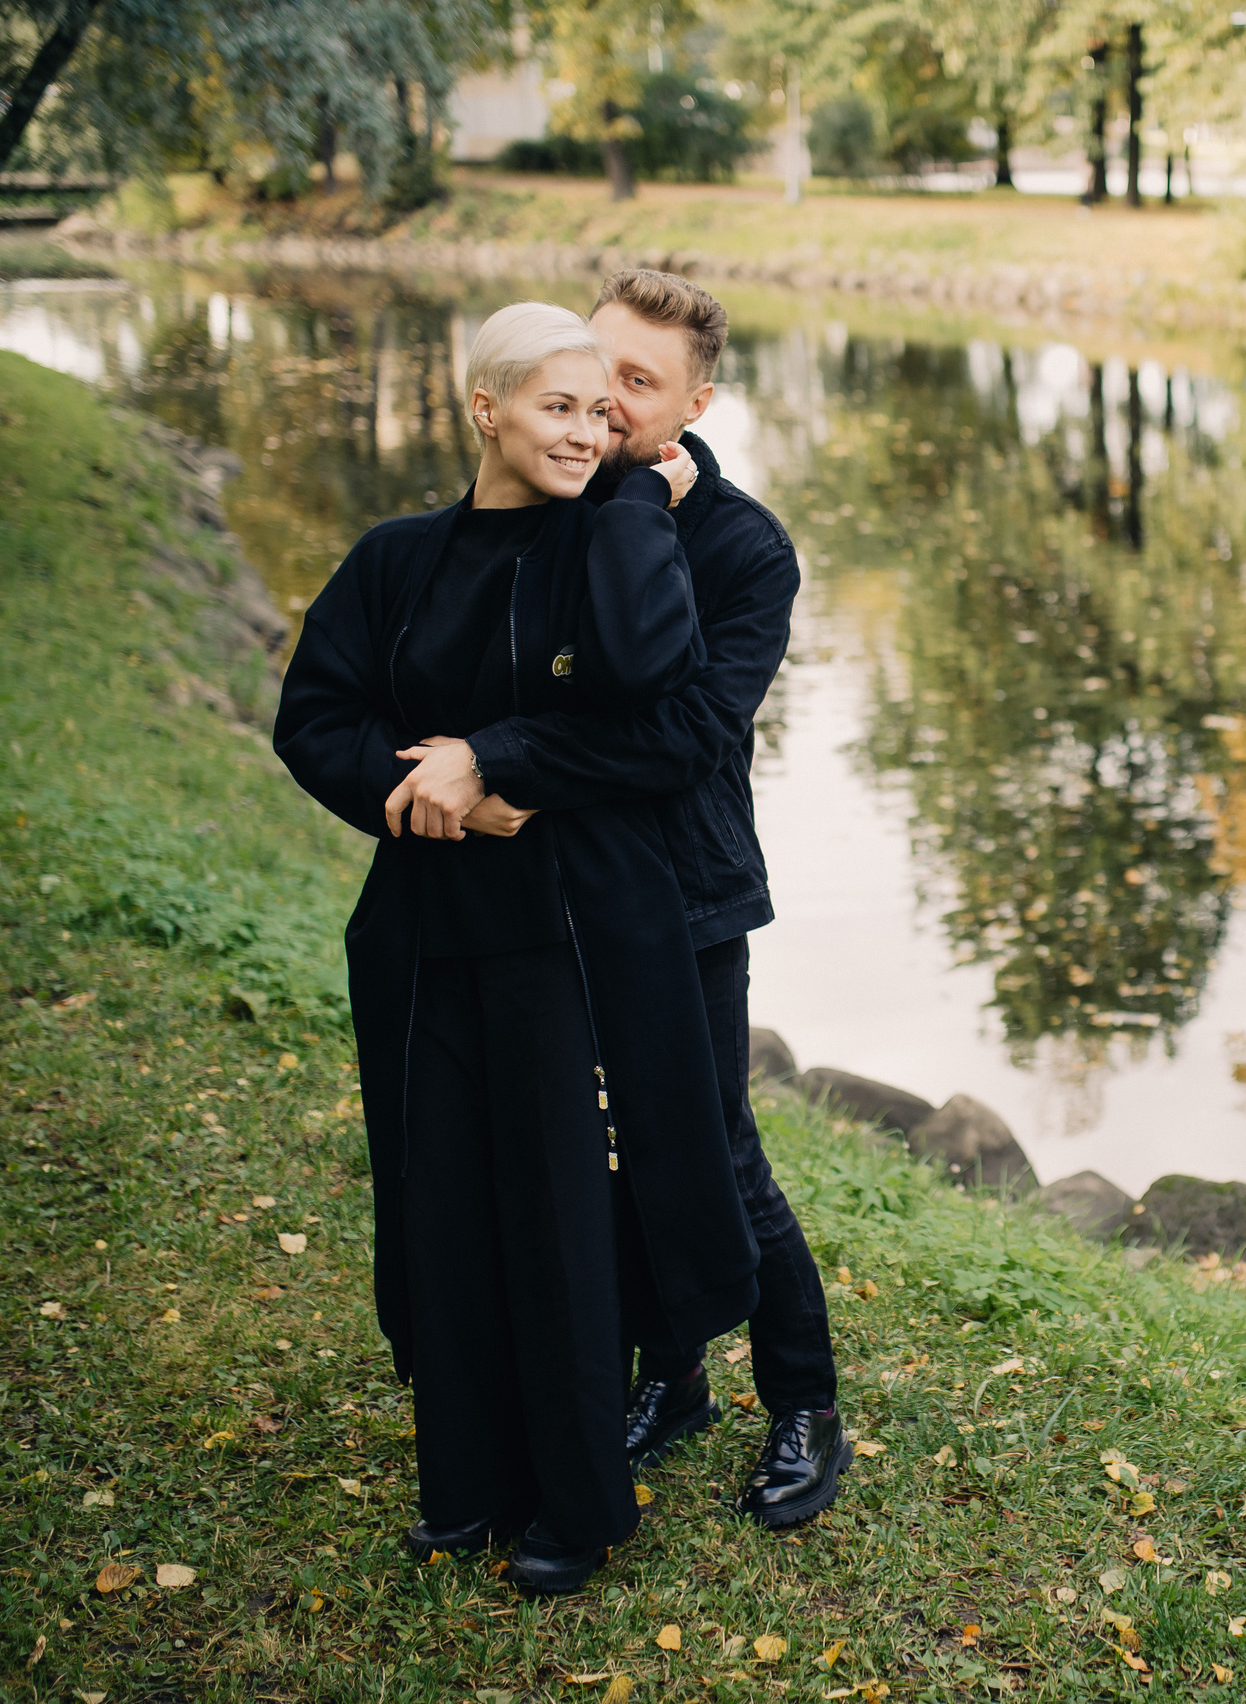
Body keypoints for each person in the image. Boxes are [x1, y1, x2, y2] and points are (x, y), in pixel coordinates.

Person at [273, 302, 762, 1594]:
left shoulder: (615, 536)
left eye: (606, 412)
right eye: (560, 406)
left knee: (555, 1213)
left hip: (577, 931)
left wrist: (509, 750)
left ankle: (577, 1506)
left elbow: (664, 716)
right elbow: (318, 714)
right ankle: (464, 1484)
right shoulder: (397, 556)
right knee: (439, 1203)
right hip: (427, 925)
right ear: (484, 408)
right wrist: (420, 785)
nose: (588, 430)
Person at [375, 270, 846, 1528]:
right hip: (542, 890)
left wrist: (503, 760)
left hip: (682, 890)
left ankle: (803, 1401)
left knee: (712, 1151)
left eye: (642, 384)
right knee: (588, 1154)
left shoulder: (742, 547)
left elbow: (683, 733)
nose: (612, 407)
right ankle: (670, 1375)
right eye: (597, 371)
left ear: (697, 400)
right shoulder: (548, 497)